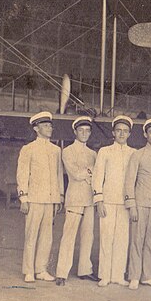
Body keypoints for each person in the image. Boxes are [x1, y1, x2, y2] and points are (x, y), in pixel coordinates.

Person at [16, 111, 64, 283]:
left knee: (47, 237)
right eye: (45, 126)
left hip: (50, 200)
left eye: (50, 125)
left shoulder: (56, 150)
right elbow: (22, 175)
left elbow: (59, 174)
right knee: (31, 235)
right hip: (34, 199)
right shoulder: (28, 149)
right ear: (36, 128)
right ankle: (29, 271)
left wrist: (59, 197)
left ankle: (41, 269)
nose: (49, 128)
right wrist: (24, 198)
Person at [124, 119, 151, 290]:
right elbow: (129, 181)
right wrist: (132, 205)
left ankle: (147, 275)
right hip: (140, 204)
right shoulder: (138, 155)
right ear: (145, 134)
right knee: (137, 240)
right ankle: (134, 276)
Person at [92, 115, 135, 287]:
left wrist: (133, 203)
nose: (122, 134)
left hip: (125, 203)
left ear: (129, 134)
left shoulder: (134, 153)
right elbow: (97, 177)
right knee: (106, 237)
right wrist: (99, 200)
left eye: (125, 131)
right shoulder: (104, 151)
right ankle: (105, 275)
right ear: (113, 133)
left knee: (122, 240)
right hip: (108, 201)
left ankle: (118, 275)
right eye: (119, 131)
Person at [55, 116, 98, 286]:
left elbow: (96, 176)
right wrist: (90, 171)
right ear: (75, 131)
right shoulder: (67, 151)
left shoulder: (93, 154)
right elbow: (75, 174)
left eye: (87, 131)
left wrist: (87, 173)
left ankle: (85, 270)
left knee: (88, 236)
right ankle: (61, 272)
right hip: (74, 199)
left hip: (89, 198)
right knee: (69, 235)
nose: (85, 133)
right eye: (81, 130)